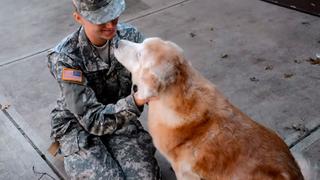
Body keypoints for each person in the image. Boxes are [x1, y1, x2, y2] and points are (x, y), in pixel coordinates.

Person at [47, 0, 161, 179]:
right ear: (79, 18)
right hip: (78, 126)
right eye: (100, 19)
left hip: (120, 119)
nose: (110, 24)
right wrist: (137, 100)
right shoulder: (65, 57)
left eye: (112, 14)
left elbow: (157, 74)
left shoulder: (130, 37)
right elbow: (91, 120)